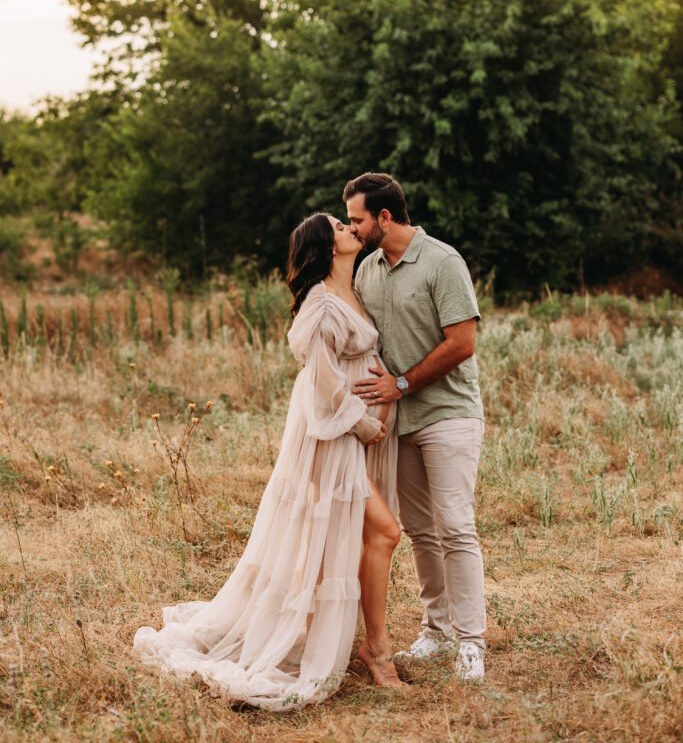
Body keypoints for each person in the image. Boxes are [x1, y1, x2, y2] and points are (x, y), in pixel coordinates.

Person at [133, 212, 406, 709]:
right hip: (329, 438)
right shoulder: (319, 306)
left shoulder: (354, 293)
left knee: (333, 543)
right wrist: (363, 422)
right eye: (340, 228)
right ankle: (375, 650)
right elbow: (322, 382)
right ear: (327, 248)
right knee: (382, 532)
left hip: (348, 438)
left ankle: (346, 640)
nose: (351, 230)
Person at [343, 172, 486, 683]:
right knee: (422, 530)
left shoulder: (443, 262)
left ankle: (471, 642)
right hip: (399, 421)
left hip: (448, 413)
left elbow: (462, 343)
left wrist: (401, 384)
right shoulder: (368, 270)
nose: (352, 228)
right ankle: (437, 630)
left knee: (455, 524)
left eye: (357, 220)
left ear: (384, 216)